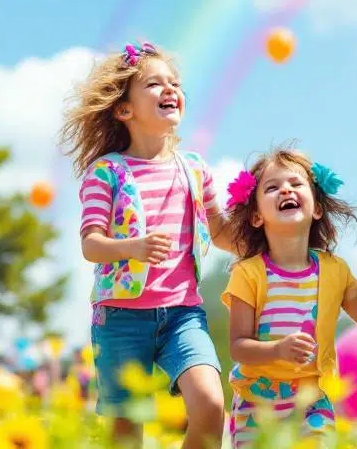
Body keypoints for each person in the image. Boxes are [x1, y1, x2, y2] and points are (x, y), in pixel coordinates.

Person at [59, 41, 237, 449]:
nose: (170, 89)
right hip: (121, 317)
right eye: (154, 84)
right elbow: (92, 244)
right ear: (124, 110)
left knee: (210, 406)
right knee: (126, 435)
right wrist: (133, 247)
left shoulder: (195, 169)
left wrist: (270, 246)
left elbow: (224, 233)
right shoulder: (106, 173)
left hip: (183, 315)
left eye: (175, 83)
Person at [221, 145, 357, 447]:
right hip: (256, 406)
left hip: (311, 403)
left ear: (316, 207)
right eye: (272, 187)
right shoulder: (248, 274)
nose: (285, 190)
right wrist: (278, 350)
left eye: (295, 183)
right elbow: (239, 347)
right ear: (256, 217)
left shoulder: (335, 272)